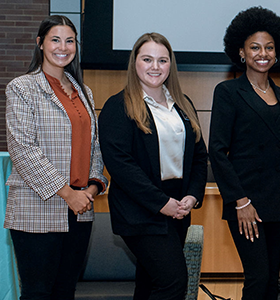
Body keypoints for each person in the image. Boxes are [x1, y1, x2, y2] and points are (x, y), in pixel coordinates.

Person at [4, 15, 108, 299]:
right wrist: (66, 192)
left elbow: (94, 146)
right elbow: (23, 149)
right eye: (55, 39)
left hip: (80, 209)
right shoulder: (22, 87)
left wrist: (92, 187)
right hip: (38, 206)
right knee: (38, 292)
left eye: (70, 41)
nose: (63, 47)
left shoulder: (83, 91)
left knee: (66, 291)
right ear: (40, 44)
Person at [98, 32, 208, 300]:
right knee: (173, 281)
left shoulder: (183, 105)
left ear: (171, 65)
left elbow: (199, 157)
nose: (155, 67)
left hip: (179, 208)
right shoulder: (118, 106)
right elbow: (121, 166)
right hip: (140, 211)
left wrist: (192, 196)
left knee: (150, 283)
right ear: (134, 62)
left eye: (162, 60)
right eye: (147, 59)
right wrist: (161, 202)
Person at [209, 7, 280, 300]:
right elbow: (217, 151)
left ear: (277, 52)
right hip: (246, 205)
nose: (263, 53)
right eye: (255, 47)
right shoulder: (228, 92)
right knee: (258, 277)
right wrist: (240, 202)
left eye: (269, 47)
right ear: (241, 52)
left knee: (272, 278)